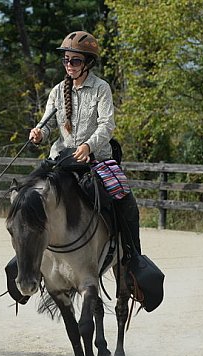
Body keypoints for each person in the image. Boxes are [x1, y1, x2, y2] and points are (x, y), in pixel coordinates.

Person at [29, 30, 142, 260]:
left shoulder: (101, 88)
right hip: (61, 160)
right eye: (66, 60)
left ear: (88, 63)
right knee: (27, 197)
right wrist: (39, 133)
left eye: (75, 60)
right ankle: (26, 259)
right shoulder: (57, 92)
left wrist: (88, 146)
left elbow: (107, 125)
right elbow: (47, 125)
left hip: (96, 160)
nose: (69, 65)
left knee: (127, 203)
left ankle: (132, 260)